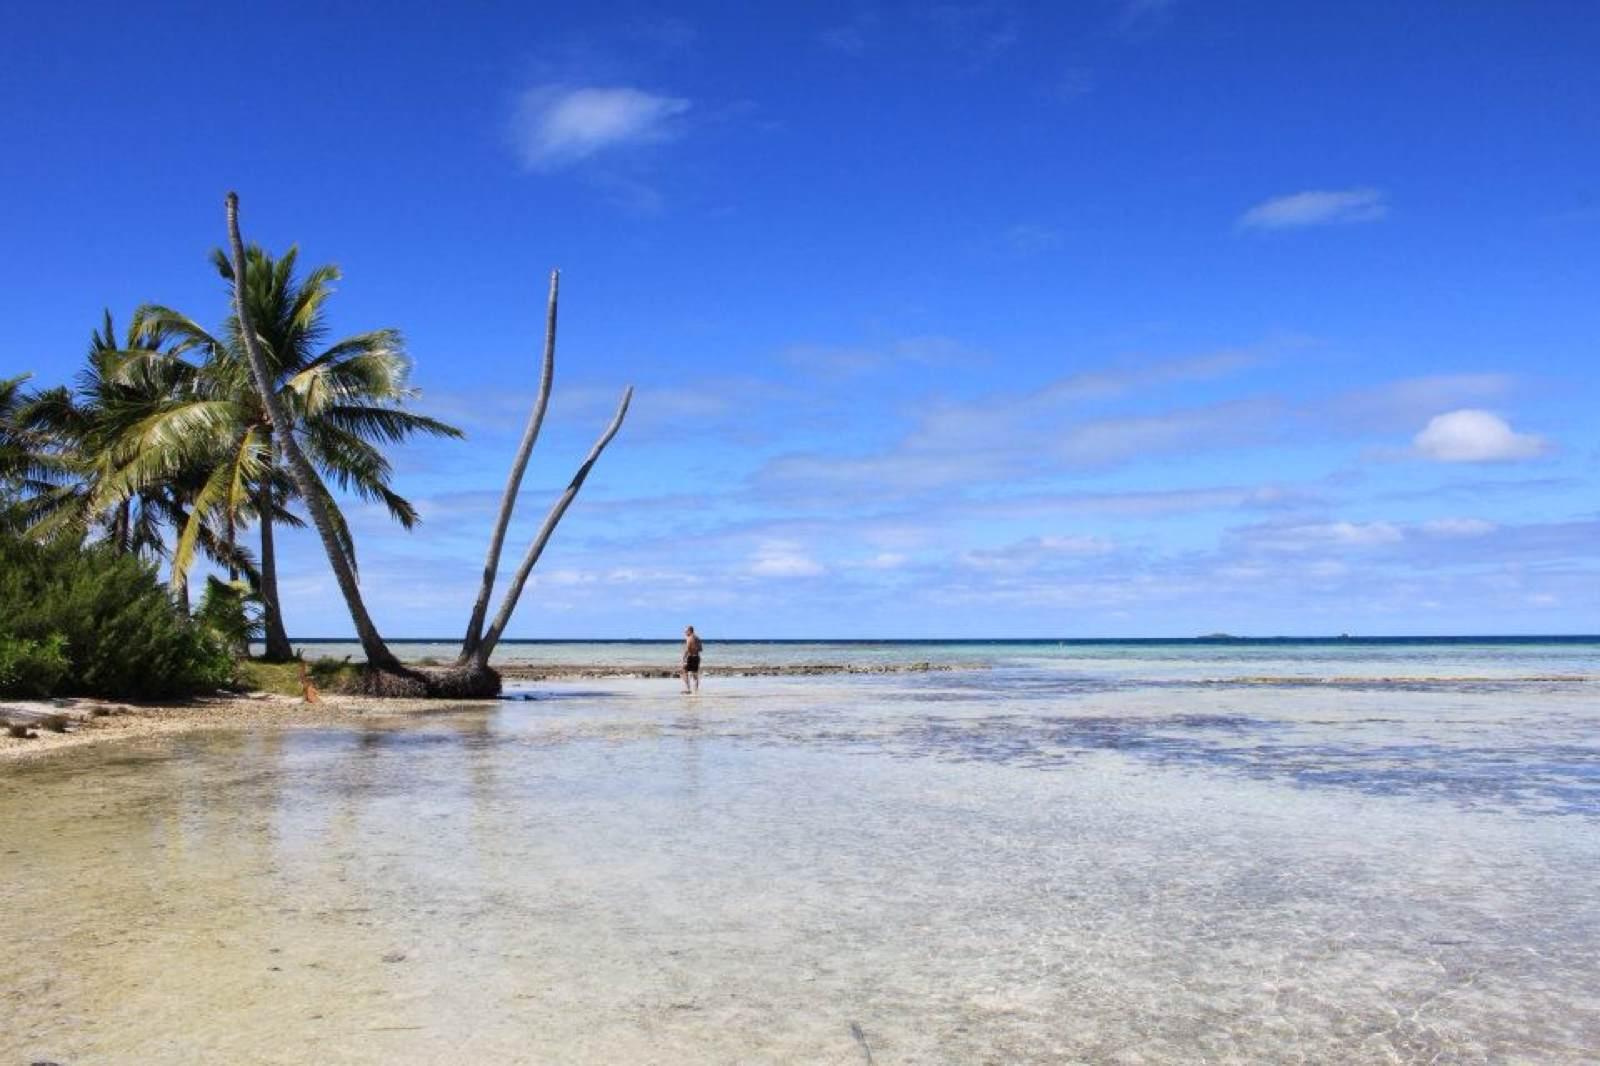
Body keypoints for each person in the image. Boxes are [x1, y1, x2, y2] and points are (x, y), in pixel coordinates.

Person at [681, 625, 703, 694]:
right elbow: (701, 649)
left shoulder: (689, 638)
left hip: (690, 657)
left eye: (686, 631)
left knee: (684, 671)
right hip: (697, 657)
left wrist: (683, 658)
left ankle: (688, 689)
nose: (685, 632)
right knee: (695, 674)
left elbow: (687, 649)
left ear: (689, 631)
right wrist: (695, 648)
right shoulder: (698, 638)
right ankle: (696, 690)